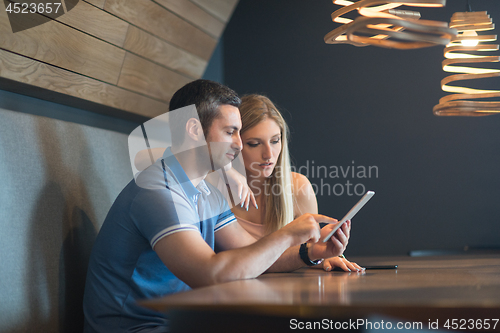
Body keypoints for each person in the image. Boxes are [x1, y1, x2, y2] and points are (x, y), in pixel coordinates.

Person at [83, 80, 351, 333]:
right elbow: (210, 274)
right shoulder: (159, 192)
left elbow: (251, 254)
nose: (238, 143)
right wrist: (287, 234)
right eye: (230, 132)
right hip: (138, 327)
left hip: (179, 321)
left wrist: (313, 251)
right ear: (194, 130)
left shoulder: (204, 189)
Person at [231, 94, 364, 272]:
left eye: (275, 141)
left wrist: (325, 256)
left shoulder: (297, 187)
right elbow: (240, 261)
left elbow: (307, 254)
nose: (269, 154)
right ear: (234, 144)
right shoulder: (215, 193)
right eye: (254, 144)